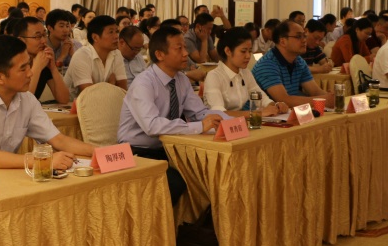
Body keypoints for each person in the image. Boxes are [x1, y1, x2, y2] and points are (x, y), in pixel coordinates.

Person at [0, 36, 94, 173]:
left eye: (29, 64)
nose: (30, 73)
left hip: (6, 177)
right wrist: (42, 161)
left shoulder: (27, 100)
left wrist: (98, 151)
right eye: (23, 69)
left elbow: (58, 140)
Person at [117, 26, 227, 205]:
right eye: (179, 48)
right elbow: (152, 126)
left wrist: (229, 122)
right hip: (138, 151)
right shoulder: (144, 83)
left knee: (209, 171)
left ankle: (198, 220)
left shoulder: (181, 79)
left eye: (185, 47)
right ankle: (162, 222)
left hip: (169, 148)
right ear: (160, 54)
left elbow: (199, 113)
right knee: (175, 181)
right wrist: (200, 126)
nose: (186, 53)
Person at [203, 27, 287, 117]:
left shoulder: (245, 73)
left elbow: (261, 97)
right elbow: (219, 114)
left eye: (250, 51)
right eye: (243, 51)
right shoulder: (214, 76)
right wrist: (257, 113)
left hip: (239, 122)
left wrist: (276, 106)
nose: (248, 56)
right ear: (228, 51)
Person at [252, 20, 330, 106]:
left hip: (288, 112)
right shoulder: (267, 65)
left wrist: (332, 97)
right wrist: (324, 100)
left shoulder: (299, 61)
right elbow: (284, 100)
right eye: (298, 36)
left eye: (304, 36)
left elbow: (315, 92)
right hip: (261, 113)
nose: (304, 40)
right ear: (283, 41)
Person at [64, 14, 128, 101]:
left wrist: (97, 87)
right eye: (111, 32)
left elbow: (123, 91)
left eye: (116, 31)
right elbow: (89, 95)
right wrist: (111, 84)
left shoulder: (116, 54)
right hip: (72, 106)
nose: (116, 36)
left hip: (106, 105)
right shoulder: (82, 56)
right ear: (95, 37)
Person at [8, 16, 70, 103]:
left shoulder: (43, 61)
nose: (44, 41)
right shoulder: (11, 63)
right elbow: (22, 102)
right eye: (37, 37)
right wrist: (37, 67)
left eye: (44, 35)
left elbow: (64, 99)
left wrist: (53, 68)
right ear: (21, 41)